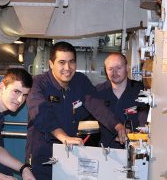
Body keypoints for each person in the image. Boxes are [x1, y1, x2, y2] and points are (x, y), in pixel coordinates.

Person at [25, 41, 127, 180]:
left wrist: (117, 125)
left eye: (71, 62)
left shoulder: (80, 81)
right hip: (42, 157)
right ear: (51, 64)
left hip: (69, 155)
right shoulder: (38, 83)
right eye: (61, 62)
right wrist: (63, 137)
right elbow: (42, 114)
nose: (67, 68)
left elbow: (97, 105)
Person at [95, 52, 149, 148]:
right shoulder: (98, 92)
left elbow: (144, 119)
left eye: (119, 68)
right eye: (110, 69)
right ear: (106, 71)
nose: (114, 73)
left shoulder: (141, 90)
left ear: (127, 67)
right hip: (106, 151)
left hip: (135, 149)